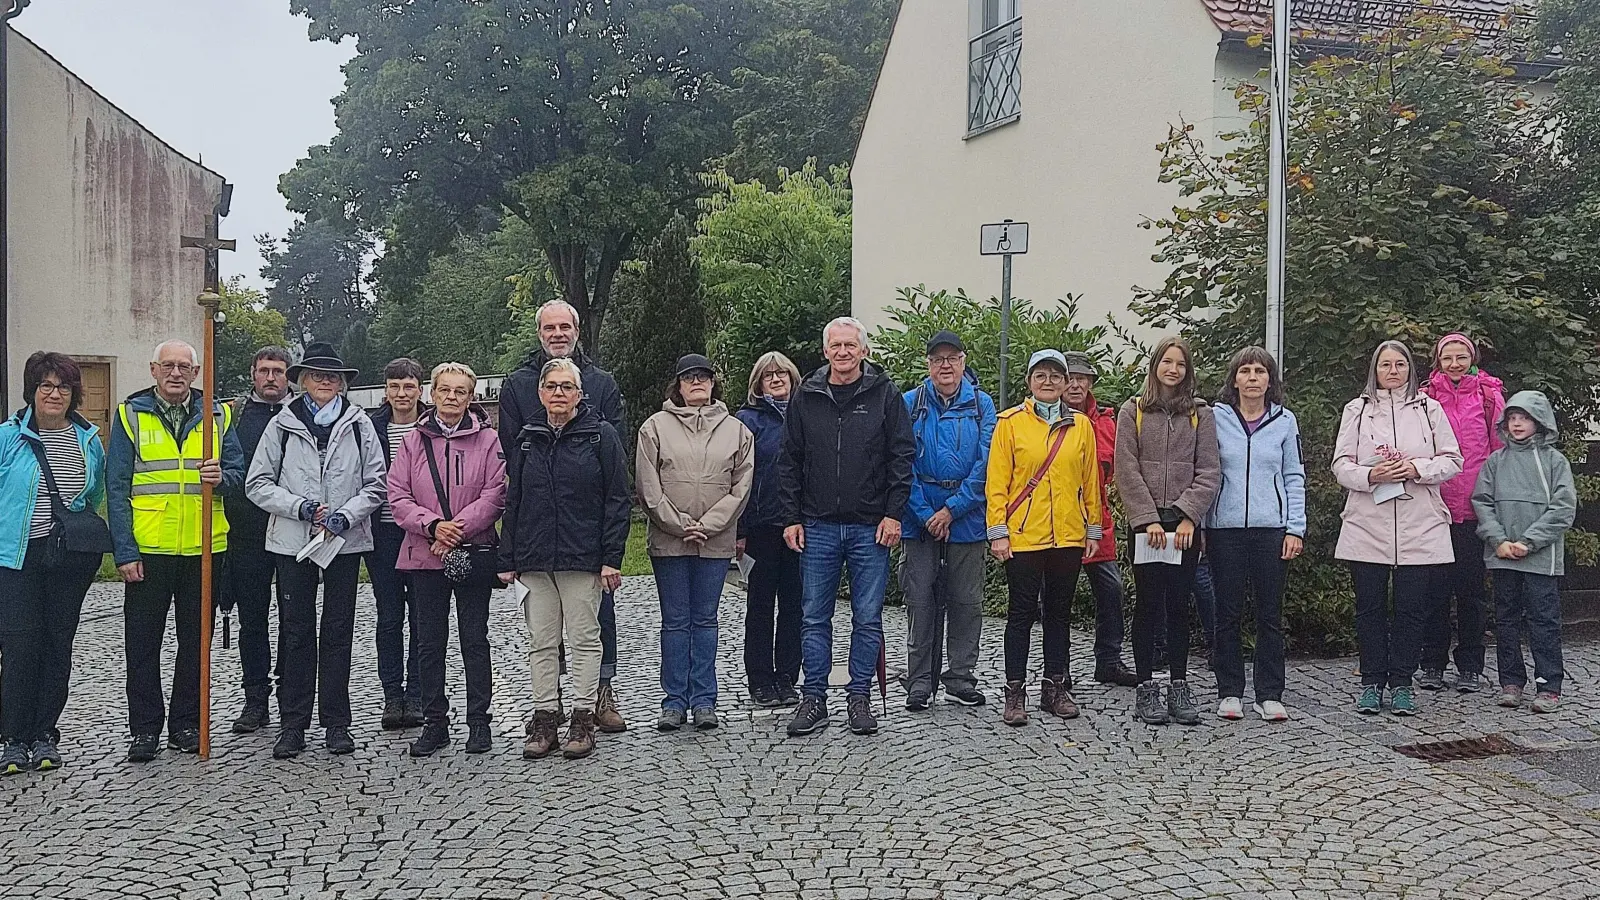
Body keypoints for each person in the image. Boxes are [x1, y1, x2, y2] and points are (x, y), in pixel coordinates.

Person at [246, 343, 386, 759]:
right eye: (317, 375)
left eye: (332, 376)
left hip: (343, 541)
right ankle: (293, 724)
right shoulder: (283, 425)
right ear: (303, 379)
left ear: (342, 383)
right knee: (296, 630)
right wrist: (299, 507)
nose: (324, 382)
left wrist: (346, 515)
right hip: (293, 542)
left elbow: (376, 484)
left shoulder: (360, 425)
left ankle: (337, 723)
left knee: (339, 631)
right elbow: (257, 483)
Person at [108, 340, 245, 762]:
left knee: (195, 642)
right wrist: (125, 550)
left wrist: (222, 476)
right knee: (143, 643)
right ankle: (145, 730)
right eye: (168, 365)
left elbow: (240, 474)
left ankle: (186, 724)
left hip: (204, 549)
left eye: (184, 366)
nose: (176, 373)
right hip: (150, 548)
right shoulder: (130, 415)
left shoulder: (218, 415)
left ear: (195, 371)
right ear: (153, 369)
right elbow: (116, 487)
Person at [779, 317, 915, 738]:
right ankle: (814, 698)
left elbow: (901, 456)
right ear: (825, 351)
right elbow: (789, 460)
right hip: (817, 524)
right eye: (835, 345)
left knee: (868, 618)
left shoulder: (885, 395)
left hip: (870, 526)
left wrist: (894, 514)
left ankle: (860, 698)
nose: (842, 352)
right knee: (813, 617)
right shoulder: (807, 396)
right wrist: (790, 517)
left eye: (850, 345)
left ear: (863, 351)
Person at [499, 299, 628, 733]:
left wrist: (610, 552)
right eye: (549, 327)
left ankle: (595, 699)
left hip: (583, 538)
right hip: (537, 539)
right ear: (540, 333)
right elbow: (513, 475)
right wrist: (509, 553)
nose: (558, 333)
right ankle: (546, 713)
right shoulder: (517, 385)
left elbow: (615, 480)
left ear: (576, 331)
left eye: (565, 326)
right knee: (543, 635)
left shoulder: (602, 384)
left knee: (591, 624)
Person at [1333, 340, 1461, 717]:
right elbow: (1340, 465)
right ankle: (1371, 681)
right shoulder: (1356, 410)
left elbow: (1453, 460)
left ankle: (1403, 682)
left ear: (1410, 369)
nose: (1393, 371)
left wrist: (1416, 469)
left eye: (1400, 364)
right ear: (1374, 369)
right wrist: (1371, 474)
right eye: (1385, 364)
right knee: (1369, 608)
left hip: (1419, 521)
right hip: (1367, 522)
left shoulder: (1429, 409)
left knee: (1411, 609)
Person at [388, 363, 506, 757]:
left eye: (460, 391)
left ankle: (479, 722)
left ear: (471, 398)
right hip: (425, 553)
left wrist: (458, 529)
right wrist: (434, 526)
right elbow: (398, 496)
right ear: (432, 394)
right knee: (429, 642)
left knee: (475, 639)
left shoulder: (488, 440)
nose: (452, 397)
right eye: (445, 390)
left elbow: (495, 492)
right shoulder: (412, 441)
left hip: (473, 550)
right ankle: (434, 721)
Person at [0, 353, 108, 773]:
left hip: (67, 560)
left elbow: (90, 494)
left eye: (62, 387)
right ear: (32, 390)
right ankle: (13, 737)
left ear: (73, 393)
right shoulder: (8, 437)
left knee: (57, 645)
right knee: (21, 645)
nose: (54, 393)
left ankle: (46, 734)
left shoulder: (88, 440)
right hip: (16, 558)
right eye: (46, 385)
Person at [637, 354, 754, 731]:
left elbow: (742, 486)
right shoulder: (654, 428)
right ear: (678, 385)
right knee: (674, 622)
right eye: (690, 378)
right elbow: (648, 486)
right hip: (670, 541)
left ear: (713, 383)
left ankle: (704, 700)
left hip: (715, 541)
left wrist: (709, 524)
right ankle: (673, 702)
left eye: (704, 377)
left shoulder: (737, 431)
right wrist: (679, 524)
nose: (697, 383)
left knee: (705, 620)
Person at [986, 349, 1103, 726]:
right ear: (1029, 381)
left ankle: (1055, 686)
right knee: (1021, 614)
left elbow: (1090, 481)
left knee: (1059, 614)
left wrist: (1093, 527)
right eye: (1041, 375)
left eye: (1056, 375)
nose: (1049, 381)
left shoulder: (1081, 425)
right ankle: (1014, 691)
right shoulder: (1010, 424)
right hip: (1024, 535)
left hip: (1067, 533)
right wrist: (998, 531)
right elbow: (997, 482)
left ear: (1067, 381)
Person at [1116, 336, 1219, 727]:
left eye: (1180, 363)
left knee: (1179, 605)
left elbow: (1209, 470)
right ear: (1155, 365)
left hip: (1185, 526)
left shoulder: (1200, 414)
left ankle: (1178, 683)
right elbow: (1127, 469)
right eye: (1167, 362)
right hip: (1147, 525)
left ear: (1187, 370)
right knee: (1147, 605)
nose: (1173, 369)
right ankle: (1146, 686)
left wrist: (1190, 515)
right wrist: (1148, 519)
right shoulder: (1133, 411)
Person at [1205, 347, 1305, 723]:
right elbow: (1205, 473)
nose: (1251, 378)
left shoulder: (1284, 421)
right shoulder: (1216, 419)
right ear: (1234, 379)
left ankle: (1269, 693)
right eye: (1244, 371)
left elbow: (1294, 476)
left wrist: (1295, 527)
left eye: (1259, 371)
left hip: (1271, 529)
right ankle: (1230, 691)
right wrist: (1200, 525)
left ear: (1269, 380)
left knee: (1270, 614)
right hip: (1224, 530)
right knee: (1226, 613)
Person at [900, 331, 996, 711]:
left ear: (963, 361)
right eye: (938, 359)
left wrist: (953, 509)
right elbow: (899, 464)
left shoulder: (982, 405)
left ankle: (960, 677)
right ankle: (919, 681)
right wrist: (926, 514)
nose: (945, 365)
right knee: (919, 599)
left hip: (967, 516)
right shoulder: (909, 404)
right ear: (928, 364)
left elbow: (988, 463)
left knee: (967, 601)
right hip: (918, 516)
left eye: (952, 358)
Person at [1472, 391, 1575, 714]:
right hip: (1503, 556)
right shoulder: (1495, 461)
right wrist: (1498, 540)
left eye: (1525, 418)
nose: (1517, 424)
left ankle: (1549, 685)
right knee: (1506, 620)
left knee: (1544, 622)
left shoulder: (1554, 461)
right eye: (1512, 418)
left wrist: (1528, 542)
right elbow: (1482, 503)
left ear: (1539, 422)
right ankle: (1511, 682)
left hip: (1541, 559)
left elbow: (1562, 508)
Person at [1418, 333, 1504, 693]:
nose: (1454, 364)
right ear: (1438, 361)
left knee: (1471, 593)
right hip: (1434, 508)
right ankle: (1432, 664)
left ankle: (1470, 665)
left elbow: (1501, 451)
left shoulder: (1488, 394)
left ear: (1472, 358)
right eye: (1447, 358)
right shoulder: (1424, 398)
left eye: (1461, 357)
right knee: (1433, 593)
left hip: (1474, 508)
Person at [223, 347, 292, 735]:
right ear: (253, 374)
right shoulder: (232, 417)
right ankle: (255, 697)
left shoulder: (299, 416)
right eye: (264, 370)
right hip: (246, 532)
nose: (271, 378)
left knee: (292, 619)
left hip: (291, 531)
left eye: (278, 371)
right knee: (252, 620)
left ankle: (289, 694)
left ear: (288, 378)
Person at [1061, 351, 1139, 688]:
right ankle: (1057, 667)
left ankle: (1108, 660)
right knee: (1056, 597)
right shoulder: (1045, 418)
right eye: (1070, 377)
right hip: (1056, 519)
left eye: (1082, 378)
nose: (1076, 383)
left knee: (1111, 590)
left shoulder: (1108, 422)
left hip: (1097, 518)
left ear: (1091, 383)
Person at [735, 352, 805, 708]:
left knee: (795, 606)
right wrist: (739, 529)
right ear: (758, 384)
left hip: (799, 526)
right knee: (760, 606)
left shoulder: (806, 414)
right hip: (760, 526)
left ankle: (788, 677)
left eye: (782, 374)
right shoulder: (745, 421)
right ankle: (760, 679)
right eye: (768, 376)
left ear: (793, 379)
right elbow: (737, 478)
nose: (776, 380)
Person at [367, 358, 427, 729]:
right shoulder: (370, 426)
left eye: (408, 386)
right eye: (394, 387)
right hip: (383, 534)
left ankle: (418, 694)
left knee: (423, 617)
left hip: (421, 532)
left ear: (421, 390)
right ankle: (392, 694)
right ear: (385, 390)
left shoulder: (433, 425)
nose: (401, 394)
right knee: (389, 616)